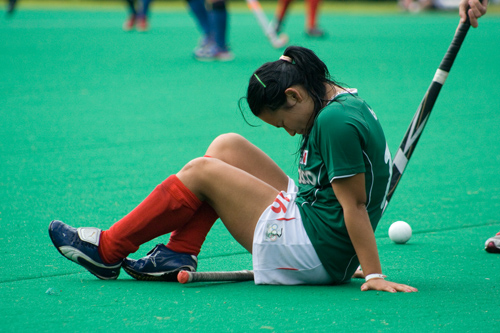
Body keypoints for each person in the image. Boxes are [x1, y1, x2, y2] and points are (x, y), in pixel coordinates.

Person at [48, 46, 417, 292]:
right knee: (226, 146)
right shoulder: (335, 96)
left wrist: (371, 273)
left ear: (295, 95)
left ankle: (109, 250)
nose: (289, 131)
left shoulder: (334, 123)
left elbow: (353, 206)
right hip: (318, 225)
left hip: (311, 249)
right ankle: (179, 252)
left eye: (283, 122)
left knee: (202, 172)